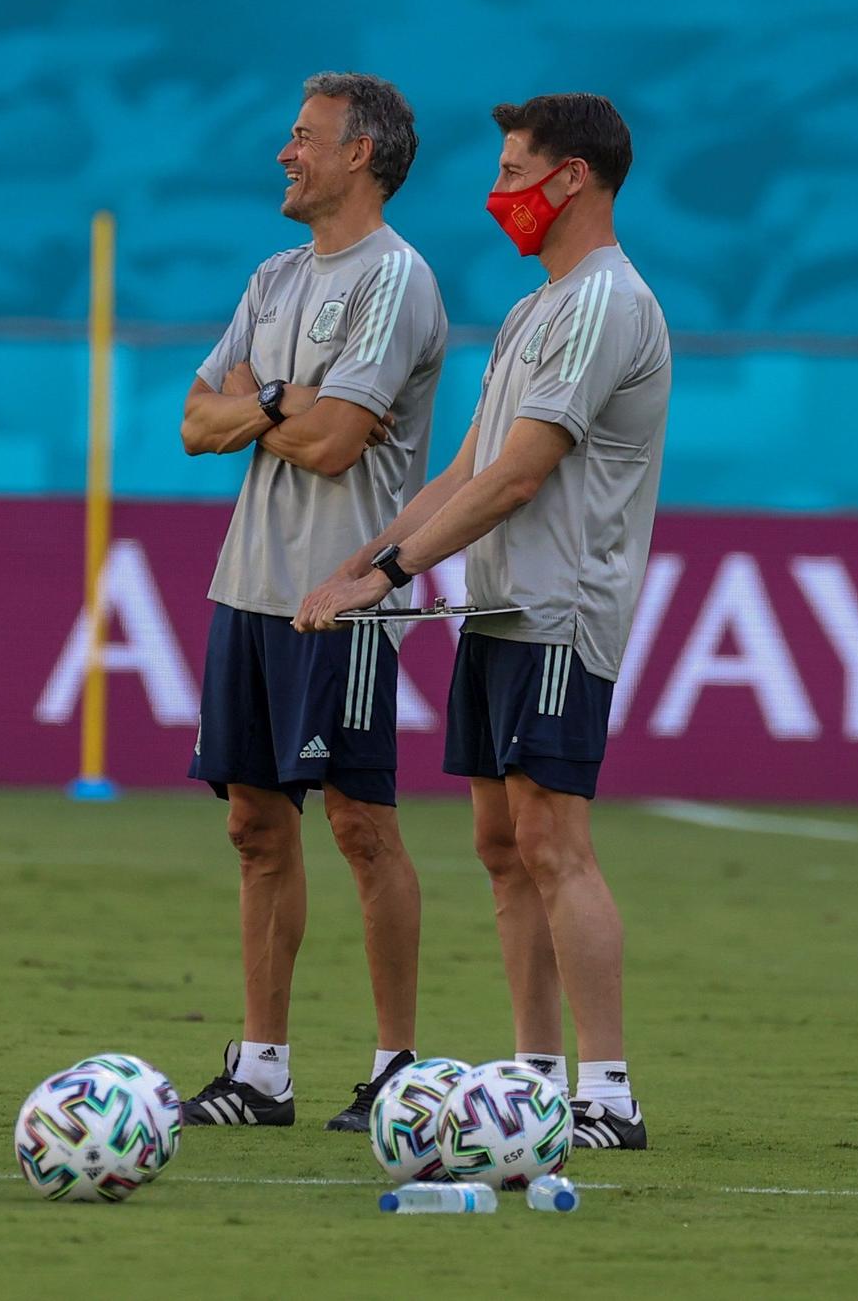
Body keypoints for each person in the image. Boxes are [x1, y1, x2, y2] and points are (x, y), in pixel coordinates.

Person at [297, 92, 670, 1151]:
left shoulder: (604, 302)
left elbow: (516, 476)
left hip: (557, 610)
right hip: (494, 608)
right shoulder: (532, 307)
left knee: (554, 841)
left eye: (514, 170)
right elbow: (464, 466)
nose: (496, 191)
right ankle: (532, 1080)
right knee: (501, 845)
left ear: (573, 179)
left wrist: (393, 573)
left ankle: (604, 1093)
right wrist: (363, 561)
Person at [175, 73, 446, 1130]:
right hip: (245, 583)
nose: (284, 155)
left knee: (361, 823)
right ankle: (261, 1069)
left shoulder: (393, 280)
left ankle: (395, 1064)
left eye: (302, 138)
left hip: (341, 594)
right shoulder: (274, 273)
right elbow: (193, 422)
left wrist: (258, 403)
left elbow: (338, 451)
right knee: (251, 822)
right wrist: (283, 400)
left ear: (359, 153)